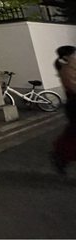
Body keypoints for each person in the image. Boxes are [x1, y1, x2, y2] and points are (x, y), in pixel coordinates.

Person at [52, 45, 76, 174]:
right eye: (73, 54)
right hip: (74, 104)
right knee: (72, 134)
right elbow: (73, 86)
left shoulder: (68, 66)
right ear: (67, 55)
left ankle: (60, 154)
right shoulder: (67, 69)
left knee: (71, 134)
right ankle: (60, 154)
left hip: (72, 104)